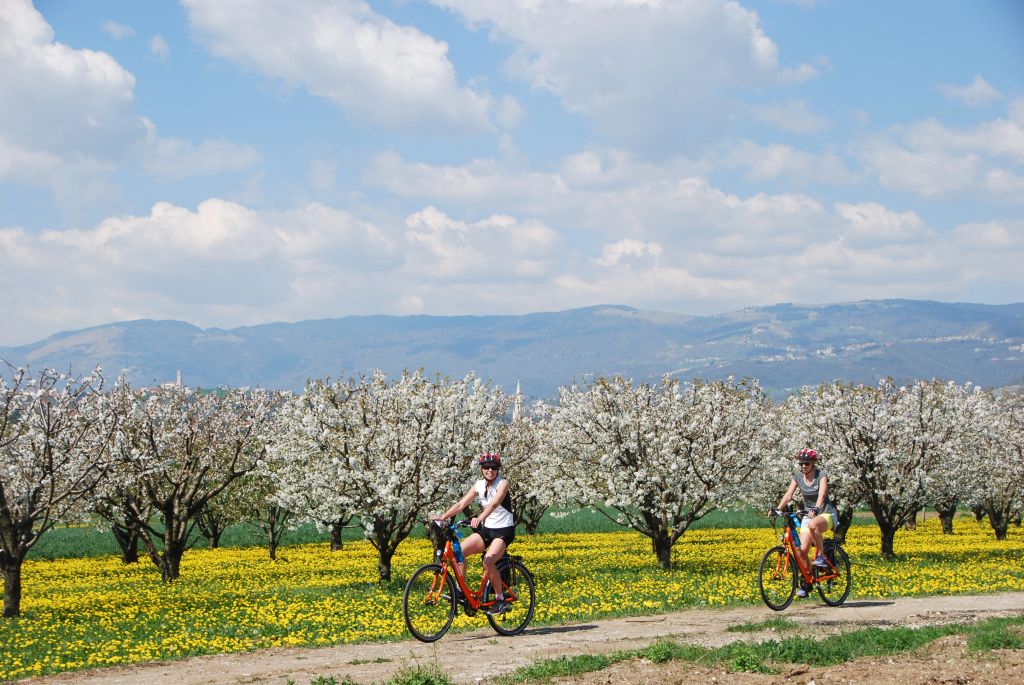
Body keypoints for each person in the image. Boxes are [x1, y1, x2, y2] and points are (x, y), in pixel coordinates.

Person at [433, 452, 516, 615]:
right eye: (486, 467)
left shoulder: (503, 483)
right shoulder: (479, 485)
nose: (489, 470)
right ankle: (459, 590)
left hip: (504, 531)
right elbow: (461, 504)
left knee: (488, 561)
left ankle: (500, 599)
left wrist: (480, 518)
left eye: (493, 467)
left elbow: (494, 504)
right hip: (488, 530)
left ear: (498, 469)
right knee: (458, 552)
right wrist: (443, 517)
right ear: (481, 469)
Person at [773, 448, 839, 597]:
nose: (803, 466)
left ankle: (821, 556)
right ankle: (807, 582)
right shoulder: (798, 476)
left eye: (806, 463)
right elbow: (789, 495)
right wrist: (778, 508)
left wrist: (816, 507)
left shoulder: (821, 475)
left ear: (813, 463)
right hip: (809, 514)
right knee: (801, 550)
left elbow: (822, 494)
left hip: (825, 512)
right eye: (801, 463)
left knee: (813, 524)